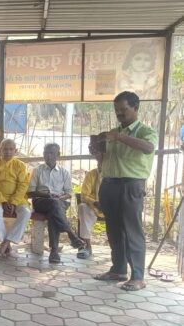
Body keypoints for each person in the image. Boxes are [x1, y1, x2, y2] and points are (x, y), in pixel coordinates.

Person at [94, 91, 157, 291]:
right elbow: (106, 161)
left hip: (131, 185)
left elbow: (148, 148)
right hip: (110, 184)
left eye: (124, 109)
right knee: (113, 230)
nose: (119, 113)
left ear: (136, 108)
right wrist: (98, 154)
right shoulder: (113, 133)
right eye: (116, 110)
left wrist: (119, 137)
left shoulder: (145, 131)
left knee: (132, 231)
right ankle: (118, 269)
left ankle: (137, 276)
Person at [28, 143, 87, 263]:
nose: (48, 156)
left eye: (51, 153)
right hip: (41, 201)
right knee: (54, 206)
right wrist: (47, 195)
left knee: (54, 212)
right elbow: (30, 192)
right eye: (46, 153)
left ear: (58, 155)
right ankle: (71, 235)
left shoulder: (64, 172)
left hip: (61, 202)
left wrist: (60, 197)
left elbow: (69, 193)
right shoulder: (37, 170)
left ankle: (54, 251)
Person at [0, 139, 32, 257]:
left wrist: (13, 202)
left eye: (11, 149)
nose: (8, 152)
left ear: (15, 151)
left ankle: (6, 242)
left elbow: (23, 185)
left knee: (26, 212)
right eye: (5, 149)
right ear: (0, 150)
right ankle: (4, 242)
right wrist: (3, 201)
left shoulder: (21, 166)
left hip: (18, 199)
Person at [78, 136, 104, 258]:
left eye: (102, 153)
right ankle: (87, 246)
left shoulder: (116, 174)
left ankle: (120, 249)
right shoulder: (92, 174)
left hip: (113, 206)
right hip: (95, 206)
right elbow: (84, 195)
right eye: (97, 154)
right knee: (83, 207)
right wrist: (96, 203)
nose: (100, 156)